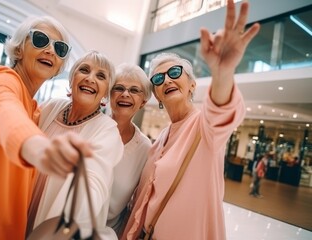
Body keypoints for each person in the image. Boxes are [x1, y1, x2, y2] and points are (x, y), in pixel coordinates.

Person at [121, 0, 260, 239]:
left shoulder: (204, 127)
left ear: (192, 85)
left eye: (175, 73)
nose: (167, 80)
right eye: (158, 79)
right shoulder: (160, 140)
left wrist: (223, 73)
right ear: (156, 94)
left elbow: (221, 111)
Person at [0, 16, 93, 240]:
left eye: (59, 48)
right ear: (19, 49)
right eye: (40, 40)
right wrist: (38, 147)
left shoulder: (36, 111)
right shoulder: (1, 78)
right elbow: (4, 108)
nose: (50, 51)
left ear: (59, 67)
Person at [28, 50, 124, 239]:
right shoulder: (50, 107)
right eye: (84, 70)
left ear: (106, 92)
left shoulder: (107, 130)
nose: (90, 78)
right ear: (72, 79)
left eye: (101, 76)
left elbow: (93, 185)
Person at [106, 63, 152, 237]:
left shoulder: (146, 149)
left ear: (143, 102)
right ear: (109, 94)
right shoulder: (92, 128)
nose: (125, 94)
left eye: (134, 90)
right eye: (119, 88)